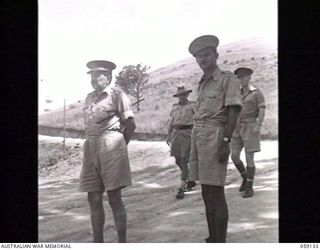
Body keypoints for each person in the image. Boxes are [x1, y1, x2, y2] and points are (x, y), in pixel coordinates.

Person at [187, 35, 242, 243]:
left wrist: (226, 142)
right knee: (206, 190)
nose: (203, 59)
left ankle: (221, 242)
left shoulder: (228, 80)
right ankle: (213, 238)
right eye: (199, 57)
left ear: (216, 55)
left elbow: (233, 112)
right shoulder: (201, 84)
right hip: (198, 136)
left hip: (215, 136)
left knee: (216, 191)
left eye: (206, 55)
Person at [79, 60, 136, 243]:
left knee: (113, 197)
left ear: (108, 77)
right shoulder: (89, 97)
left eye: (98, 75)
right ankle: (98, 243)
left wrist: (120, 144)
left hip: (111, 146)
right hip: (91, 147)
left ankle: (122, 242)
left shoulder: (117, 95)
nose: (93, 79)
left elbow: (131, 124)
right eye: (92, 76)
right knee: (93, 197)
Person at [230, 67, 266, 198]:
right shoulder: (236, 94)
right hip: (237, 128)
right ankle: (245, 178)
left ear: (249, 77)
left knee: (249, 158)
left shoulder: (256, 93)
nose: (241, 80)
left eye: (244, 77)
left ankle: (249, 187)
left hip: (250, 126)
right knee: (234, 156)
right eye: (239, 78)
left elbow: (262, 109)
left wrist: (259, 125)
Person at [166, 86, 197, 199]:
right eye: (180, 95)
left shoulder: (192, 105)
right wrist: (169, 134)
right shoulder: (175, 107)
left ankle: (182, 187)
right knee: (177, 160)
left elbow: (198, 119)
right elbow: (172, 121)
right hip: (176, 133)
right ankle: (191, 179)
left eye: (184, 94)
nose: (182, 97)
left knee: (184, 159)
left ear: (187, 95)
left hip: (187, 133)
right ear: (178, 96)